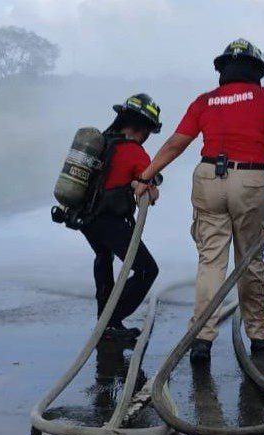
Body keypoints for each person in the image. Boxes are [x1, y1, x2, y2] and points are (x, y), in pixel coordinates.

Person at [135, 39, 264, 365]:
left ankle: (201, 338)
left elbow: (176, 143)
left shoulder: (205, 101)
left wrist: (146, 176)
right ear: (257, 70)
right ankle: (258, 334)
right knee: (250, 258)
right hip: (251, 181)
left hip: (208, 178)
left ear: (222, 70)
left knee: (210, 262)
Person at [81, 94, 161, 341]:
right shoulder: (134, 151)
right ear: (144, 129)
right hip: (109, 220)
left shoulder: (102, 142)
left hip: (86, 219)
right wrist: (152, 186)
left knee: (103, 256)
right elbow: (151, 190)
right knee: (147, 270)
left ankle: (106, 322)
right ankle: (110, 321)